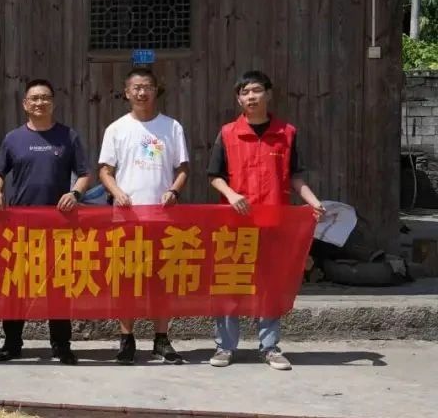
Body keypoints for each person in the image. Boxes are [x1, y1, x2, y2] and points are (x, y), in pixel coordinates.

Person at [207, 70, 325, 371]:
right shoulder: (227, 133)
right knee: (230, 283)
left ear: (268, 94)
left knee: (270, 284)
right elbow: (214, 176)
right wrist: (231, 194)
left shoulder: (287, 133)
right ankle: (224, 346)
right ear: (238, 99)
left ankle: (270, 347)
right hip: (235, 222)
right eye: (245, 92)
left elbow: (295, 177)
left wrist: (313, 201)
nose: (251, 97)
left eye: (256, 90)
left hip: (274, 221)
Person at [0, 79, 92, 366]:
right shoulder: (13, 139)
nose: (39, 103)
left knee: (58, 287)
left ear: (53, 102)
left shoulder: (68, 136)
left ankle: (61, 345)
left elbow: (85, 174)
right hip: (20, 226)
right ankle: (12, 344)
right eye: (34, 98)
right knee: (16, 287)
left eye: (45, 98)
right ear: (25, 104)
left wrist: (75, 193)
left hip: (59, 225)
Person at [97, 67, 188, 365]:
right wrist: (117, 192)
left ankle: (162, 340)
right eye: (135, 87)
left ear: (155, 90)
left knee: (161, 280)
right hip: (126, 218)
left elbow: (182, 168)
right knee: (126, 280)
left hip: (162, 217)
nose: (141, 92)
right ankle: (127, 339)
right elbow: (105, 171)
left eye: (147, 86)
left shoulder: (171, 127)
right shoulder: (116, 129)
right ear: (126, 92)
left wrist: (173, 191)